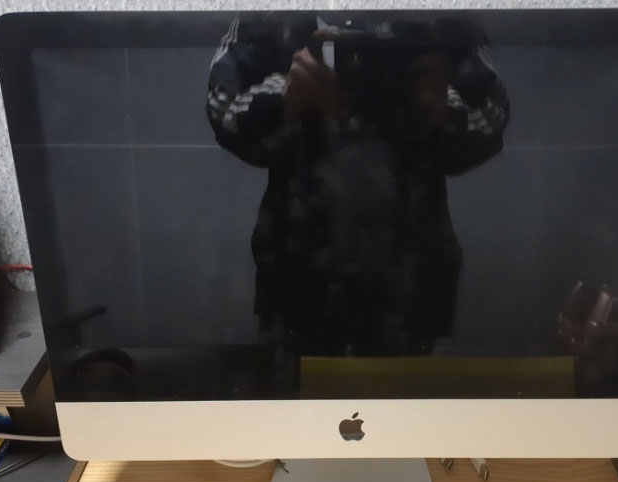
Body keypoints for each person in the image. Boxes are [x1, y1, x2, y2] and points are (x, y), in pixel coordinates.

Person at [207, 14, 509, 358]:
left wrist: (437, 105)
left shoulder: (438, 17)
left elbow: (491, 115)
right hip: (311, 282)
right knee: (314, 379)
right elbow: (222, 105)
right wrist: (286, 97)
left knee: (377, 386)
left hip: (396, 285)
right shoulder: (274, 15)